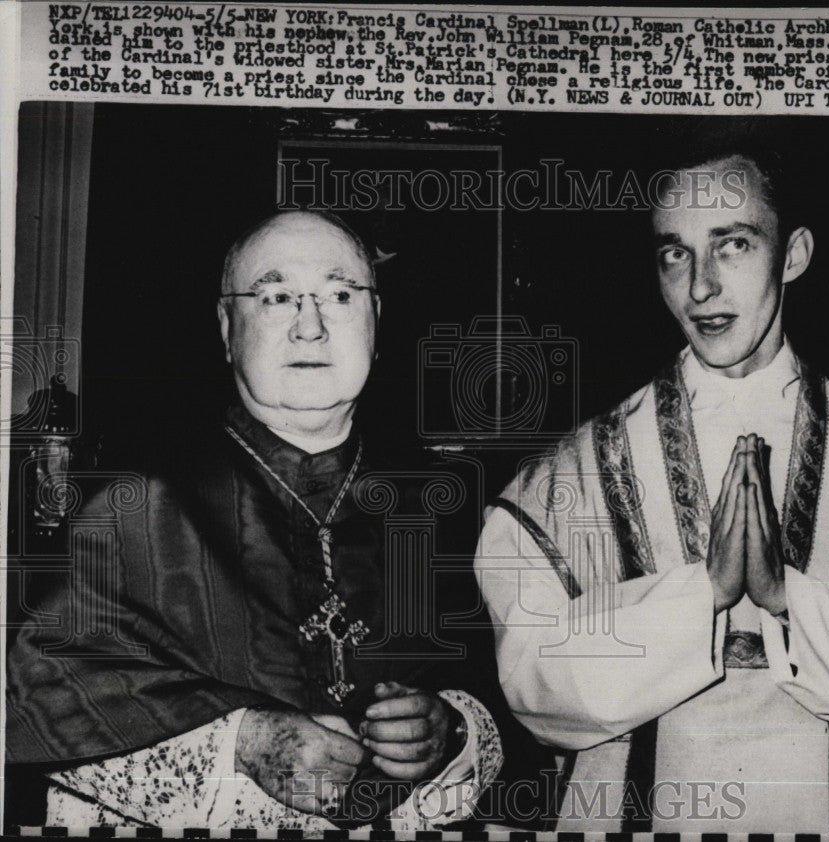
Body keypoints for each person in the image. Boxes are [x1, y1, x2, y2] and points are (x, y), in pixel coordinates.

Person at [474, 139, 829, 833]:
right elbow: (532, 695)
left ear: (794, 254)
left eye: (732, 244)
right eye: (674, 253)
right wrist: (700, 597)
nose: (700, 287)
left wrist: (788, 600)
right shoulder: (571, 478)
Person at [6, 211, 505, 830]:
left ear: (378, 323)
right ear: (227, 327)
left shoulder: (439, 509)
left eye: (341, 296)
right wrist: (240, 741)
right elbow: (36, 701)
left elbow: (508, 688)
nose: (311, 327)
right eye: (275, 298)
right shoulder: (131, 506)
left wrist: (446, 727)